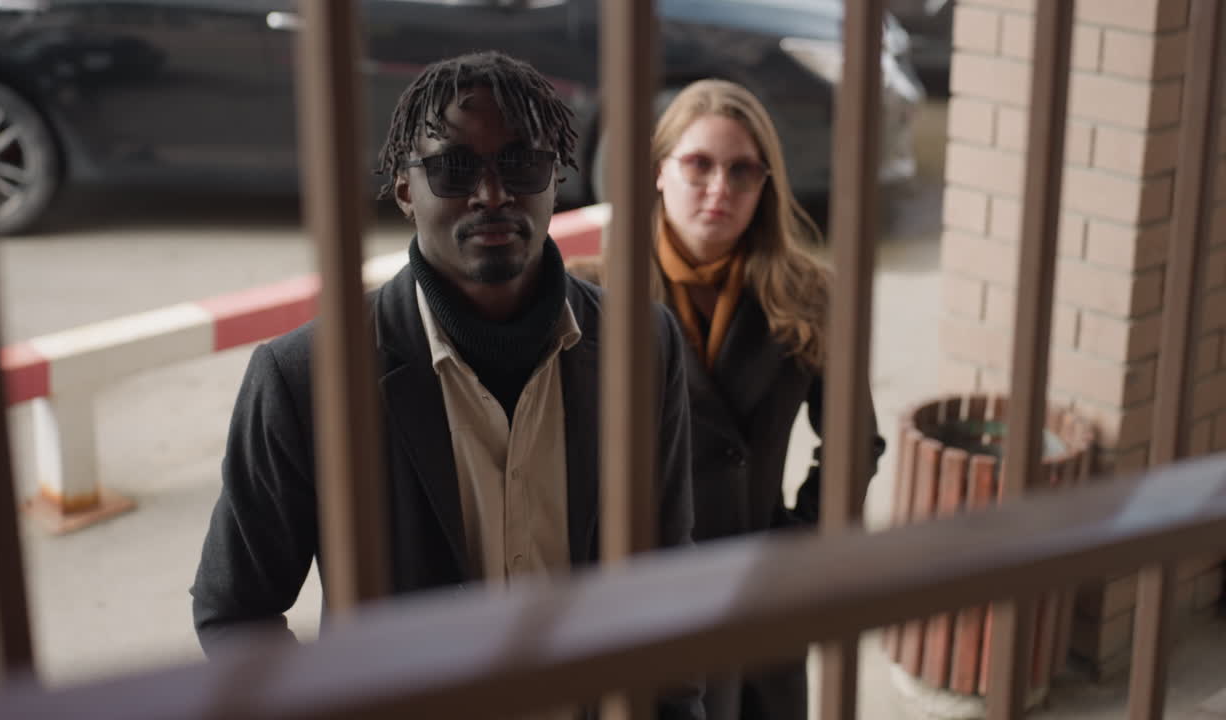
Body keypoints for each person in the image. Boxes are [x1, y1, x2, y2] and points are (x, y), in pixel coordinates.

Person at [191, 51, 702, 719]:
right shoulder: (307, 377)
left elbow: (666, 574)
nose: (492, 194)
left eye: (521, 162)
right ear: (405, 190)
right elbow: (236, 610)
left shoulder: (643, 344)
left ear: (557, 179)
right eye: (454, 168)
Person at [567, 79, 885, 720]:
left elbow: (854, 438)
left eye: (743, 171)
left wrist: (800, 543)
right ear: (659, 171)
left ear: (766, 184)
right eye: (699, 165)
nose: (721, 188)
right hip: (638, 592)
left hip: (756, 591)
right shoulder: (591, 297)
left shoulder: (808, 296)